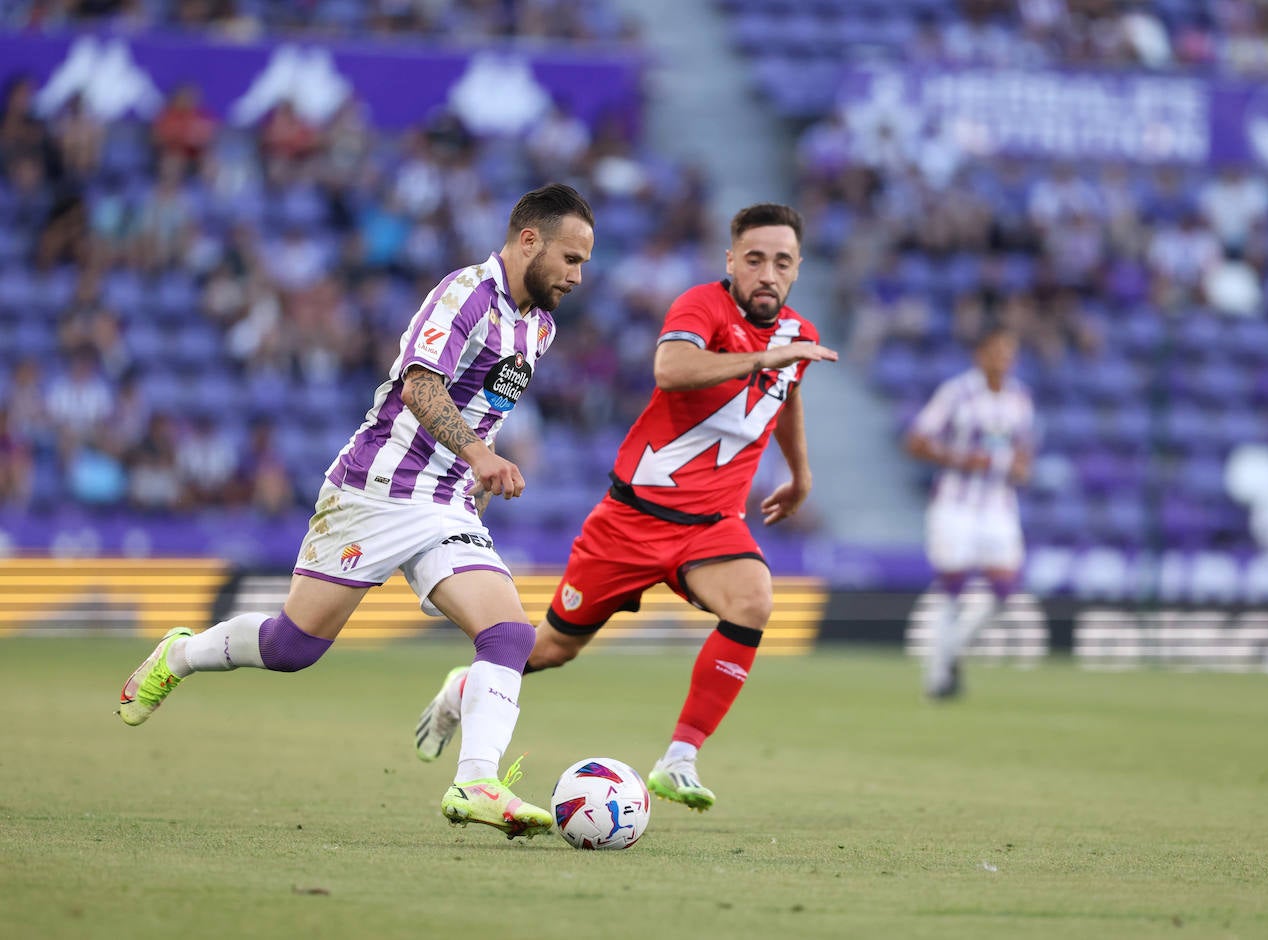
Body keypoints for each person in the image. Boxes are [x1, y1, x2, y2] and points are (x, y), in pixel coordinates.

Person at [116, 183, 596, 840]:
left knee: (509, 633)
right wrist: (481, 455)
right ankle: (180, 655)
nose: (577, 276)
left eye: (585, 265)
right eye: (570, 259)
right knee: (292, 647)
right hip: (373, 492)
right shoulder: (465, 296)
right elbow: (420, 386)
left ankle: (476, 781)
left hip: (447, 502)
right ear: (528, 240)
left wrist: (477, 477)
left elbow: (489, 403)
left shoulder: (538, 326)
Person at [412, 203, 838, 812]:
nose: (767, 273)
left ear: (797, 268)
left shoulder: (800, 336)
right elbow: (671, 369)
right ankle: (463, 690)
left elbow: (786, 391)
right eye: (754, 259)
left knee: (753, 599)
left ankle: (679, 758)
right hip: (630, 521)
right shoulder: (702, 306)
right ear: (730, 261)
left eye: (782, 262)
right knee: (551, 650)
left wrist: (799, 473)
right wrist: (760, 358)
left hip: (713, 524)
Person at [904, 324, 1035, 700]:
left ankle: (948, 652)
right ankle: (938, 678)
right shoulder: (957, 394)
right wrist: (961, 458)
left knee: (1007, 587)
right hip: (955, 505)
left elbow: (1024, 447)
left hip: (999, 505)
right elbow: (916, 441)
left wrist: (1021, 466)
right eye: (996, 351)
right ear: (981, 354)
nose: (1003, 360)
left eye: (1009, 353)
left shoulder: (1020, 398)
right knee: (953, 587)